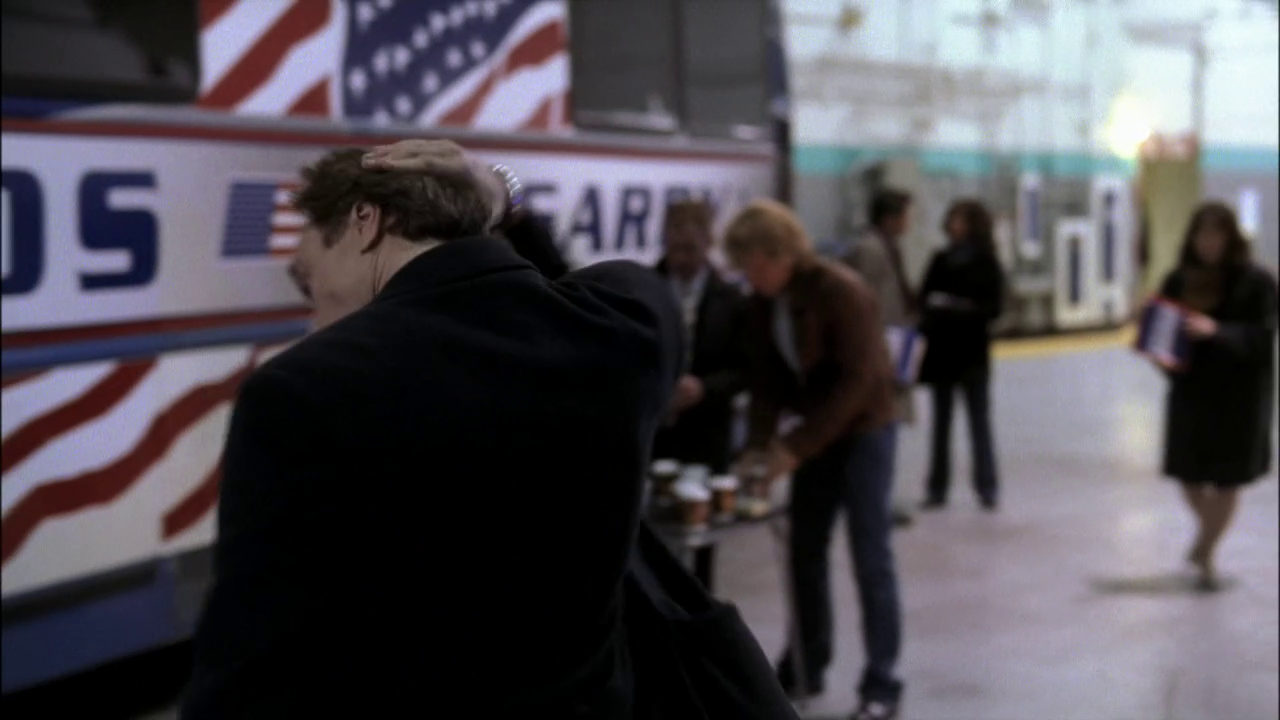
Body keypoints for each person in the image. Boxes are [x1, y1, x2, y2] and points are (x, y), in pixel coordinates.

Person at [181, 140, 684, 718]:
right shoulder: (616, 337)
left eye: (306, 279)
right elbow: (628, 287)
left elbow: (248, 663)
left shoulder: (299, 390)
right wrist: (503, 197)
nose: (313, 313)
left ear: (365, 222)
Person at [727, 199, 904, 720]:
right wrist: (758, 447)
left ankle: (882, 683)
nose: (751, 275)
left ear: (782, 254)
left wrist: (793, 448)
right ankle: (807, 664)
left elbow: (859, 382)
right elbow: (766, 382)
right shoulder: (764, 302)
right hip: (815, 436)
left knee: (870, 555)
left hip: (864, 432)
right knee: (805, 549)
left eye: (757, 264)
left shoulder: (841, 291)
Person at [1152, 202, 1277, 590]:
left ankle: (1205, 548)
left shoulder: (1256, 282)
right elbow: (1163, 333)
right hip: (1192, 392)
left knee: (1227, 477)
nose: (1208, 243)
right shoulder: (1178, 280)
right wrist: (1152, 342)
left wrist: (1218, 331)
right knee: (1188, 474)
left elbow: (1263, 337)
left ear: (1230, 238)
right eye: (1201, 234)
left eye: (1216, 235)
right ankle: (1207, 537)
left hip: (1238, 396)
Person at [651, 199, 747, 591]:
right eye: (674, 248)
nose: (681, 259)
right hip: (656, 434)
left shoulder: (732, 299)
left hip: (708, 434)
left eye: (691, 249)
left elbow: (744, 370)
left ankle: (700, 608)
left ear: (709, 243)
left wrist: (705, 388)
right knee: (653, 537)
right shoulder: (645, 289)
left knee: (703, 541)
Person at [917, 199, 1006, 511]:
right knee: (940, 425)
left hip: (971, 354)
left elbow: (994, 308)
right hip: (942, 354)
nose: (954, 225)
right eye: (952, 218)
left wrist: (961, 309)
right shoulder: (940, 259)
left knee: (979, 423)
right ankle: (937, 487)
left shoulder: (987, 262)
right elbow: (924, 297)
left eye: (960, 219)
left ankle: (987, 486)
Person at [844, 188, 919, 529]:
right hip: (881, 348)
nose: (909, 222)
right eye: (905, 215)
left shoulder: (887, 247)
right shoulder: (870, 250)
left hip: (895, 343)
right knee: (880, 424)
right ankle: (873, 502)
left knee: (890, 422)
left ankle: (880, 498)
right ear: (890, 218)